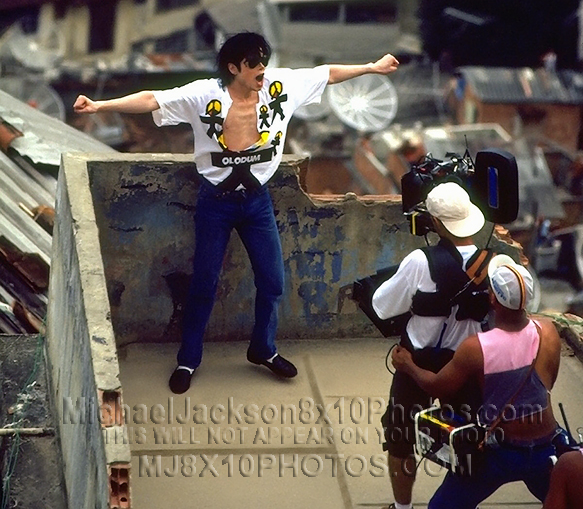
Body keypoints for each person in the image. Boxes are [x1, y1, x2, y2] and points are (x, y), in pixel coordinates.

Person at [74, 31, 399, 394]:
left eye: (264, 61)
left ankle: (263, 349)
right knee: (204, 284)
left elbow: (327, 73)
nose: (263, 70)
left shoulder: (279, 87)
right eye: (254, 64)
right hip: (216, 203)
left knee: (273, 281)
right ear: (234, 68)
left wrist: (372, 68)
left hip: (257, 202)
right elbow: (152, 99)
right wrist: (100, 106)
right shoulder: (204, 95)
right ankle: (188, 359)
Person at [393, 255, 564, 509]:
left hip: (499, 450)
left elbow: (437, 386)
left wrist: (408, 366)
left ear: (493, 299)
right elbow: (548, 382)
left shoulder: (477, 347)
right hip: (545, 446)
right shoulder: (547, 331)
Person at [371, 180, 491, 509]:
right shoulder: (490, 264)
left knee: (400, 437)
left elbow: (383, 305)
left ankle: (403, 507)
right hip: (465, 366)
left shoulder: (420, 261)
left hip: (416, 362)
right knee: (465, 439)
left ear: (435, 223)